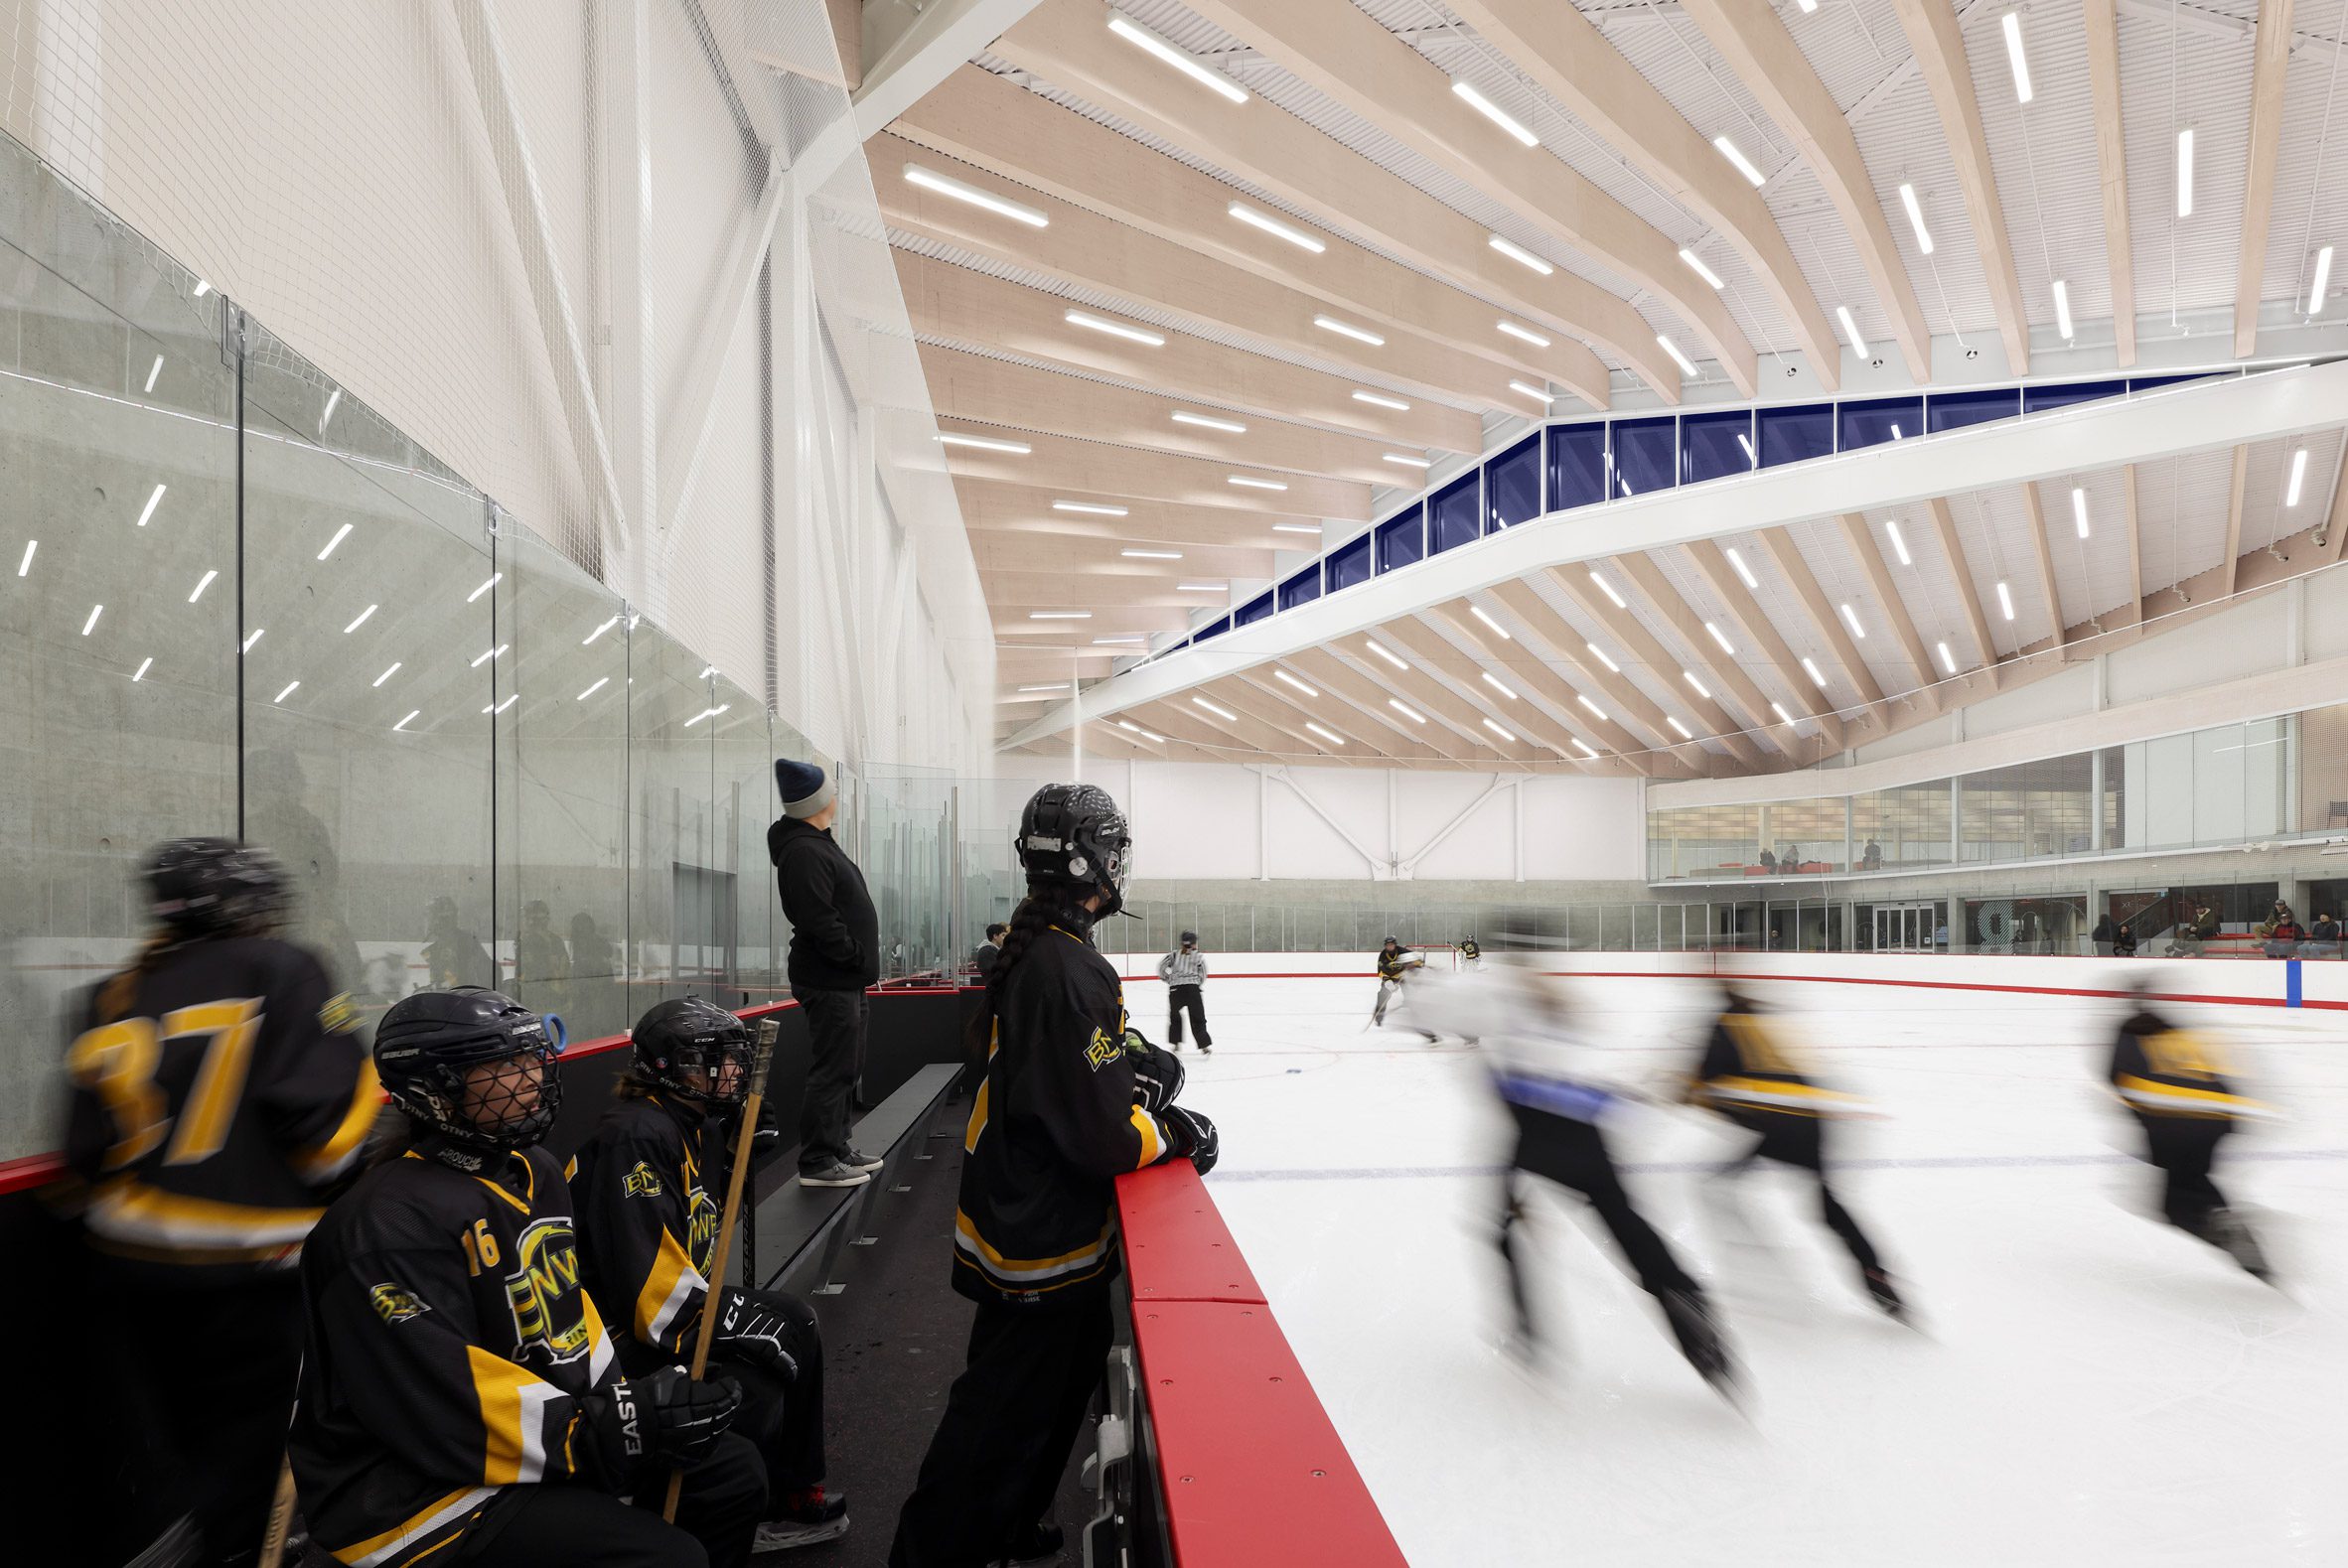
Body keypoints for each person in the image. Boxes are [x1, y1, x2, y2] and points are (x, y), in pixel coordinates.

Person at [291, 987, 765, 1567]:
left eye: (531, 1060)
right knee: (666, 1559)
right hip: (420, 1494)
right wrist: (597, 1430)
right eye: (503, 1067)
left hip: (522, 1440)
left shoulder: (534, 1170)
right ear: (433, 1091)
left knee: (732, 1474)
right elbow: (441, 1395)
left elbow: (567, 1322)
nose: (531, 1079)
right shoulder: (383, 1224)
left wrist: (626, 1403)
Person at [890, 783, 1217, 1568]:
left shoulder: (1045, 950)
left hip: (1019, 1214)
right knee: (995, 1419)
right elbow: (1103, 1135)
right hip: (1041, 1237)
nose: (1121, 863)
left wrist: (1130, 1063)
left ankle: (1008, 1522)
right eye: (1115, 849)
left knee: (1058, 1387)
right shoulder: (1067, 969)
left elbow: (1064, 1072)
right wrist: (1173, 1130)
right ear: (1089, 861)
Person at [62, 837, 378, 1567]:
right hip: (255, 1266)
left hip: (128, 1265)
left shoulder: (111, 993)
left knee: (170, 1454)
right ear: (245, 905)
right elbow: (328, 1138)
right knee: (253, 1468)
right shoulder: (283, 967)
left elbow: (83, 1158)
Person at [571, 997, 849, 1551]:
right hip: (615, 1336)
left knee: (799, 1322)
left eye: (733, 1058)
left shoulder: (694, 1124)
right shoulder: (636, 1135)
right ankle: (679, 1509)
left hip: (662, 1308)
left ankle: (790, 1495)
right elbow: (646, 1291)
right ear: (670, 1067)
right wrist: (727, 1324)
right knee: (752, 1391)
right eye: (713, 1059)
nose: (732, 1071)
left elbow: (699, 1230)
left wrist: (732, 1155)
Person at [1431, 959, 1738, 1398]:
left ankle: (1527, 1329)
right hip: (1585, 1137)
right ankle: (1689, 1309)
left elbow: (1496, 1079)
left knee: (1503, 1230)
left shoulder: (1500, 1005)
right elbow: (1587, 1075)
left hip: (1533, 1137)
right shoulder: (1562, 1006)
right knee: (1632, 1233)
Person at [1687, 985, 1904, 1321]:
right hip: (1808, 1120)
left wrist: (1687, 1092)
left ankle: (1757, 1268)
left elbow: (1707, 1083)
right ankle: (1874, 1273)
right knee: (1827, 1205)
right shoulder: (1761, 1022)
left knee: (1714, 1188)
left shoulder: (1724, 1027)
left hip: (1776, 1124)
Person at [2104, 982, 2273, 1283]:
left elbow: (2117, 1078)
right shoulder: (2175, 1030)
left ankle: (2223, 1226)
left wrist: (2145, 1125)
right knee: (2193, 1179)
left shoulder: (2128, 1033)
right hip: (2217, 1117)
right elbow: (2215, 1073)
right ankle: (2226, 1219)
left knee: (2173, 1204)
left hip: (2173, 1120)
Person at [769, 757, 883, 1190]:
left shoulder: (817, 844)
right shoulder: (804, 851)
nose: (836, 796)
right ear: (816, 801)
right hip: (830, 977)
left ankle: (837, 1146)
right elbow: (819, 919)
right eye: (830, 790)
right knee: (833, 1068)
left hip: (843, 978)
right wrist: (854, 956)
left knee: (847, 1066)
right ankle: (818, 1159)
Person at [423, 893, 497, 990]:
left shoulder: (465, 943)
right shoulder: (435, 949)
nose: (429, 921)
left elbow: (463, 982)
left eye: (431, 916)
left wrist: (440, 987)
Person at [1158, 930, 1212, 1054]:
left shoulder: (1174, 955)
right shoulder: (1197, 956)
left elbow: (1161, 968)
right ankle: (1204, 1045)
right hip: (1192, 990)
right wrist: (1196, 983)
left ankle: (1176, 1044)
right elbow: (1203, 973)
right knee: (1198, 1017)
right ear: (1193, 943)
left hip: (1176, 990)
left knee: (1175, 1017)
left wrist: (1170, 980)